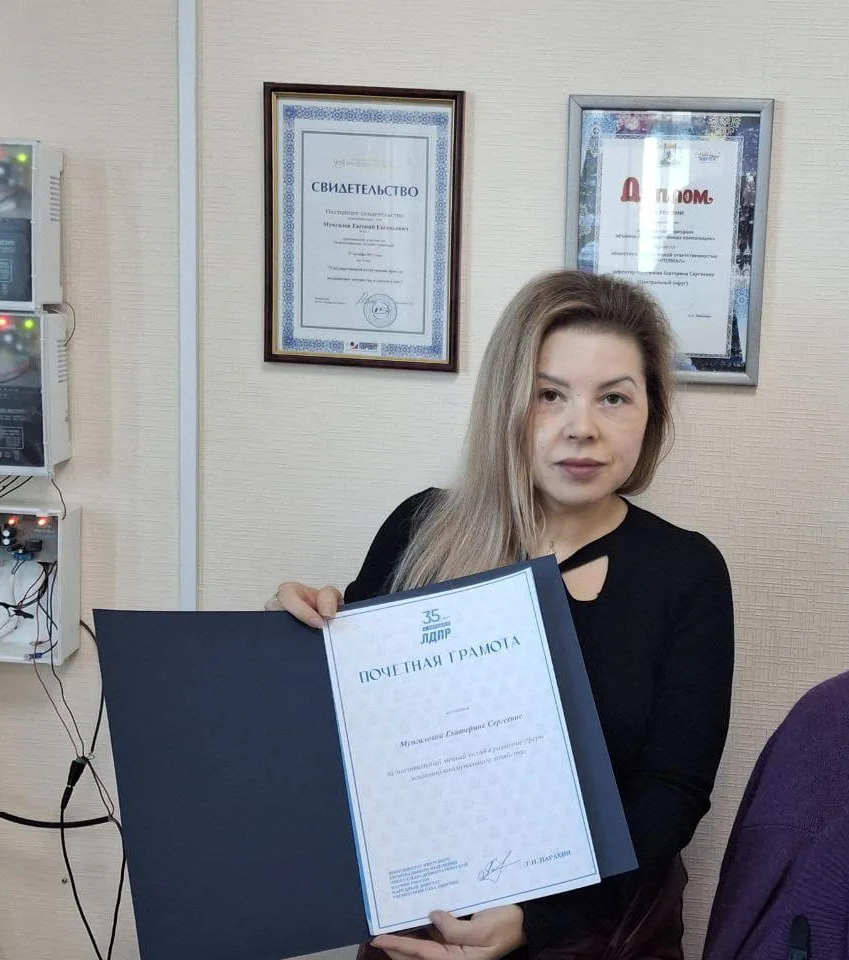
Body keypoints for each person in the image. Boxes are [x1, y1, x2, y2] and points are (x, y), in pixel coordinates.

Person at [268, 270, 735, 960]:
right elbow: (345, 741)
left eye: (613, 398)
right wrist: (294, 636)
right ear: (507, 404)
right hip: (418, 927)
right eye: (550, 395)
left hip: (592, 936)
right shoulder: (422, 530)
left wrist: (535, 921)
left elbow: (672, 793)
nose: (582, 428)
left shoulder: (686, 572)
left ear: (651, 413)